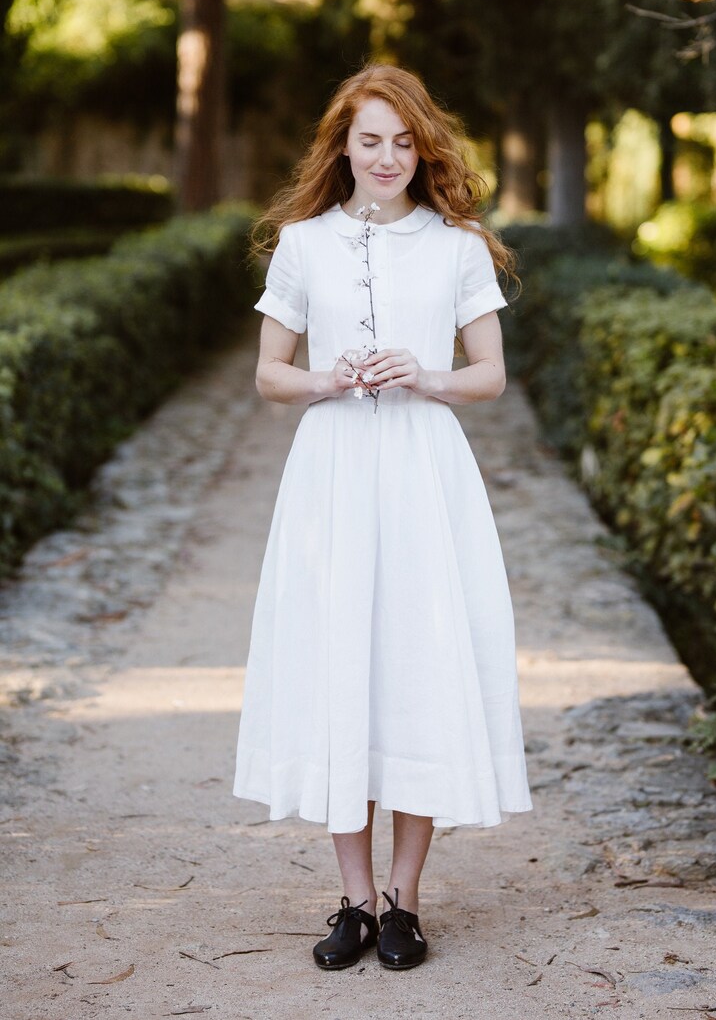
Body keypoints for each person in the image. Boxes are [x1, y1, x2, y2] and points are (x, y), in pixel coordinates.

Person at [233, 63, 532, 971]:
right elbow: (267, 372)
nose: (389, 156)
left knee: (417, 667)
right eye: (371, 140)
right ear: (344, 146)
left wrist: (424, 374)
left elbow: (490, 372)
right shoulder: (302, 242)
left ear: (423, 147)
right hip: (331, 476)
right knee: (340, 668)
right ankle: (353, 901)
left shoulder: (458, 246)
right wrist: (328, 377)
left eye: (405, 141)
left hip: (423, 477)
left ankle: (406, 900)